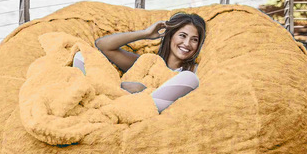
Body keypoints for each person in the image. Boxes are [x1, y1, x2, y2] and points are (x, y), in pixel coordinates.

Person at [72, 12, 206, 113]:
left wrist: (143, 90)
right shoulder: (146, 63)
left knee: (190, 78)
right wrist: (145, 33)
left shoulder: (194, 70)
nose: (187, 43)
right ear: (170, 36)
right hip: (117, 101)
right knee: (82, 56)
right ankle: (92, 102)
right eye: (182, 36)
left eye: (194, 39)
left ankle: (123, 110)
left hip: (144, 110)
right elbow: (103, 45)